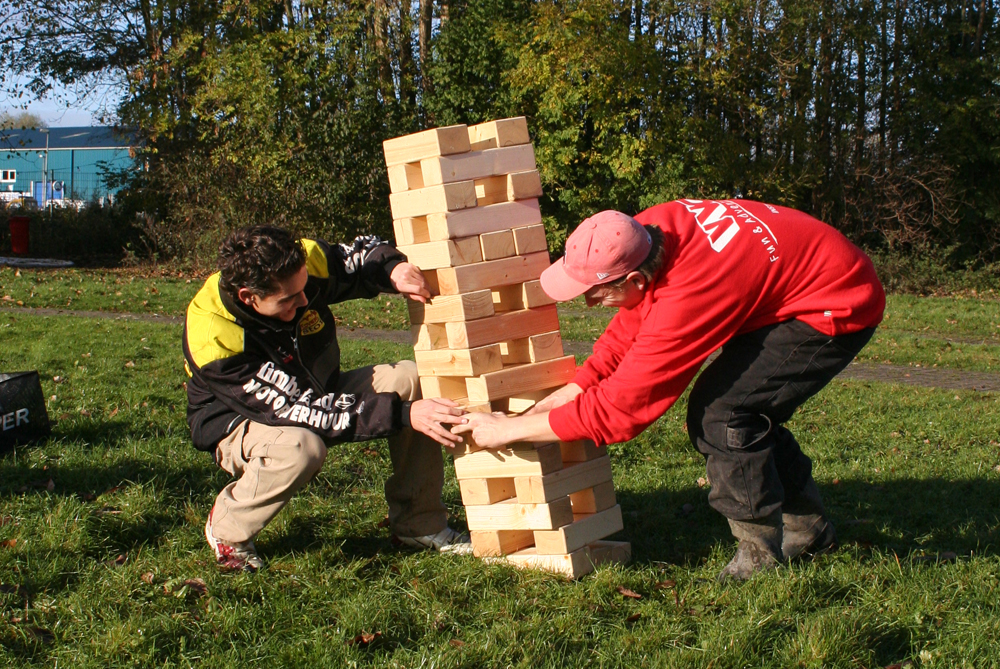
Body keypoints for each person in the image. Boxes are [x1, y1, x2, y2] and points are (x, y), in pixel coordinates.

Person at [453, 200, 885, 581]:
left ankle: (760, 553)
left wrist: (507, 432)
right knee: (745, 412)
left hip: (837, 303)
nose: (587, 304)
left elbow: (622, 410)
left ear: (637, 279)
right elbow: (629, 332)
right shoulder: (642, 231)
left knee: (726, 415)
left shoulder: (692, 291)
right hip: (793, 281)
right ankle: (810, 529)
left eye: (594, 294)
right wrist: (571, 389)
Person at [184, 226, 470, 572]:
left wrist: (392, 269)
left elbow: (361, 254)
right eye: (288, 300)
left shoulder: (301, 260)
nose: (304, 301)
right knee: (301, 447)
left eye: (304, 289)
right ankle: (228, 529)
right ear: (248, 298)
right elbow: (297, 410)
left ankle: (419, 525)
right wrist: (404, 414)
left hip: (315, 391)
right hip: (241, 422)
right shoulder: (214, 336)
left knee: (410, 378)